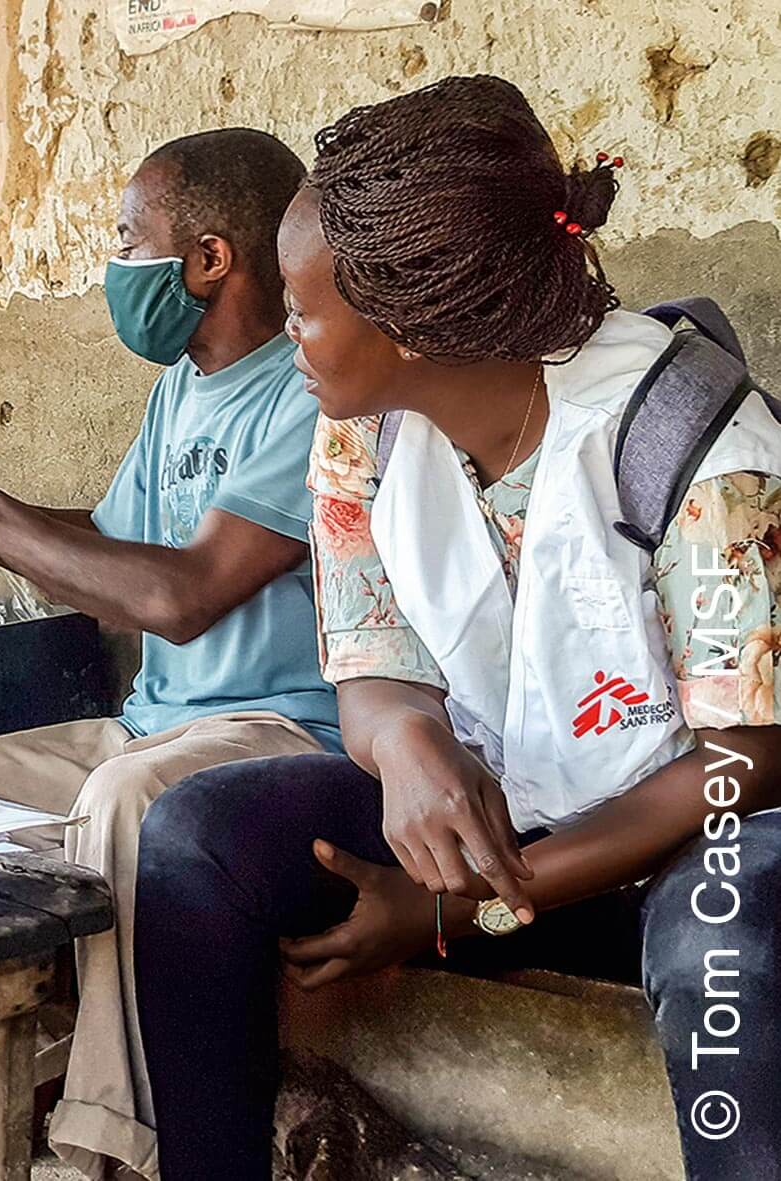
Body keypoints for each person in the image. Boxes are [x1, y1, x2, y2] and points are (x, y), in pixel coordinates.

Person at [132, 75, 781, 1181]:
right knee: (198, 840)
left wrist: (454, 907)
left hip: (682, 837)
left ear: (412, 322)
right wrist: (409, 750)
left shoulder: (697, 441)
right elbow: (375, 660)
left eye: (300, 308)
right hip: (502, 822)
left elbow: (747, 758)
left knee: (727, 940)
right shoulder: (364, 431)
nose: (286, 333)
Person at [0, 130, 338, 1179]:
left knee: (130, 801)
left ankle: (110, 1145)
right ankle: (19, 1066)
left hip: (277, 730)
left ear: (210, 260)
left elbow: (178, 597)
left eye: (128, 237)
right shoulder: (183, 387)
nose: (114, 260)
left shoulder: (307, 392)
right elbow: (104, 544)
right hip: (148, 726)